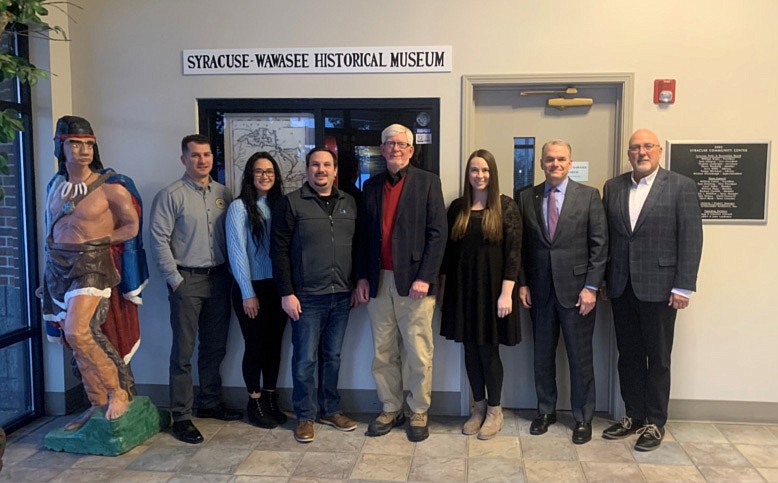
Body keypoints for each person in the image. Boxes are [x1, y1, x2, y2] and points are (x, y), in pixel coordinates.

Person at [41, 115, 148, 430]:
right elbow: (51, 228)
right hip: (59, 266)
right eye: (75, 144)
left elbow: (131, 225)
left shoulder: (110, 188)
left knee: (78, 330)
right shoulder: (54, 185)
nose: (83, 151)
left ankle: (118, 391)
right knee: (72, 339)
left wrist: (103, 240)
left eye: (88, 144)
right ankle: (96, 401)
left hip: (93, 264)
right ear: (61, 147)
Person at [601, 129, 703, 451]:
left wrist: (683, 286)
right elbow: (608, 238)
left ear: (659, 151)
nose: (641, 152)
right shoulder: (613, 187)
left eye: (647, 146)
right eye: (635, 147)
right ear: (628, 153)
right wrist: (604, 279)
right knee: (628, 355)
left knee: (658, 357)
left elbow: (691, 238)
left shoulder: (681, 187)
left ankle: (655, 423)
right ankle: (632, 415)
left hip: (661, 288)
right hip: (620, 285)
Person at [356, 124, 447, 442]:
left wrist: (426, 277)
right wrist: (363, 277)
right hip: (378, 280)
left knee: (418, 351)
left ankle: (419, 410)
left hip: (415, 283)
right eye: (389, 144)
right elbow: (362, 238)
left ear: (411, 150)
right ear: (382, 150)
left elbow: (438, 234)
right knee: (383, 351)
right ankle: (390, 407)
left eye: (401, 144)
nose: (395, 148)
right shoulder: (370, 186)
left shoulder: (428, 182)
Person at [150, 134, 240, 445]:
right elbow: (158, 239)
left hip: (219, 279)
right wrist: (174, 279)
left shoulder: (224, 194)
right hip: (186, 280)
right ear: (183, 159)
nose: (202, 161)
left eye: (207, 155)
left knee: (215, 346)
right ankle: (181, 415)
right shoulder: (170, 195)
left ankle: (211, 402)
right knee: (183, 352)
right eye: (195, 155)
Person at [518, 139, 607, 445]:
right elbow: (522, 247)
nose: (555, 164)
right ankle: (546, 411)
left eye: (561, 159)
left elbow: (600, 246)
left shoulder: (589, 196)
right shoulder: (526, 197)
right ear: (541, 163)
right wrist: (524, 283)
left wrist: (592, 287)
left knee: (580, 357)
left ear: (570, 163)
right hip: (540, 292)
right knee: (542, 355)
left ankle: (583, 417)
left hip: (577, 292)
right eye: (549, 159)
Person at [271, 147, 358, 443]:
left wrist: (358, 282)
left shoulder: (350, 202)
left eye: (326, 165)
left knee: (332, 357)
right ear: (307, 170)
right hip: (306, 297)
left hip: (342, 296)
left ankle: (330, 410)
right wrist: (286, 292)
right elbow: (279, 251)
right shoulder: (291, 203)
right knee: (305, 360)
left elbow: (358, 247)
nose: (321, 170)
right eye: (315, 165)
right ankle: (305, 416)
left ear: (335, 170)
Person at [439, 149, 522, 440]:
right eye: (474, 170)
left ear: (493, 173)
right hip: (463, 291)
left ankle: (495, 411)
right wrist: (442, 292)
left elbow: (514, 254)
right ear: (468, 174)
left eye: (485, 170)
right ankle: (478, 407)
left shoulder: (506, 207)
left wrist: (506, 294)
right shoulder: (457, 208)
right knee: (470, 350)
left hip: (494, 292)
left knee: (489, 351)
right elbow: (448, 256)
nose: (480, 175)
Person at [226, 152, 288, 429]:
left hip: (278, 287)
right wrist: (247, 292)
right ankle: (255, 400)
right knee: (255, 346)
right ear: (250, 176)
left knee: (274, 346)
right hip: (250, 288)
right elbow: (237, 252)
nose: (265, 176)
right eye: (259, 171)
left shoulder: (280, 206)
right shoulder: (238, 208)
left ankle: (272, 397)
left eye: (270, 172)